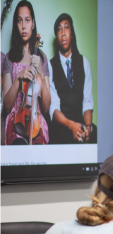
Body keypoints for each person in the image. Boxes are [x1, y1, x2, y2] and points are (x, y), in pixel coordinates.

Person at [2, 0, 51, 145]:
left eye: (27, 20)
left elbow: (47, 107)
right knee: (18, 145)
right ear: (16, 25)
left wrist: (41, 73)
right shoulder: (9, 58)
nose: (23, 26)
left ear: (33, 23)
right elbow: (6, 106)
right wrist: (18, 78)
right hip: (16, 121)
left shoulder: (41, 57)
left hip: (36, 121)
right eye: (19, 21)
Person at [48, 13, 96, 144]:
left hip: (81, 124)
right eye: (59, 29)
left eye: (66, 27)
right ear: (57, 37)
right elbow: (54, 107)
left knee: (95, 134)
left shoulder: (84, 62)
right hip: (62, 127)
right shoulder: (50, 66)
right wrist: (71, 126)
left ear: (72, 33)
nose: (63, 33)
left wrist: (87, 128)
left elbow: (87, 102)